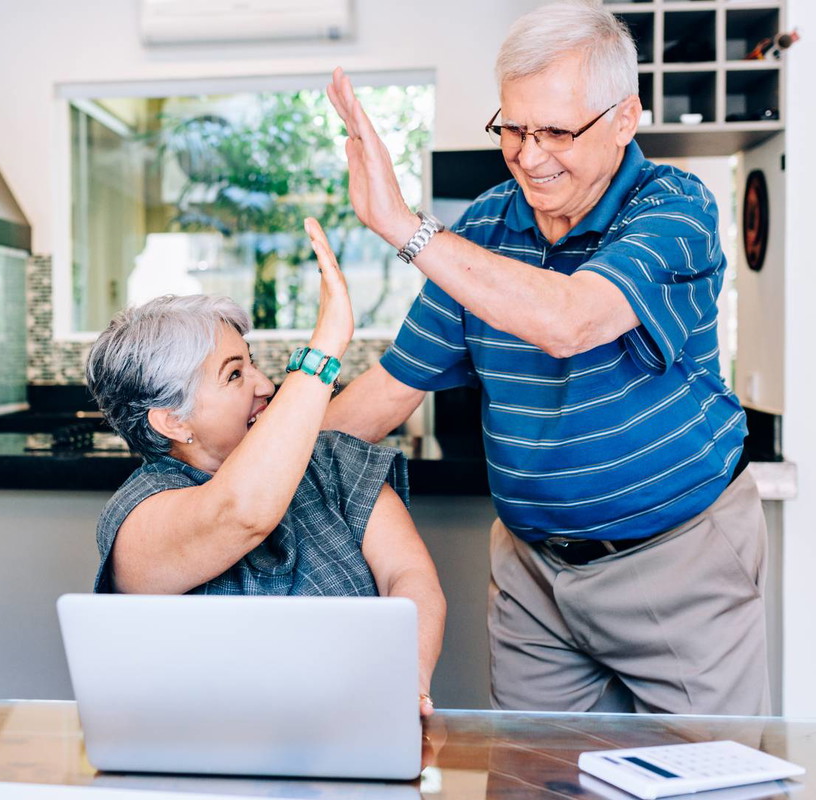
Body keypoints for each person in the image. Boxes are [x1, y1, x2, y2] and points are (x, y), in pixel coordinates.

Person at [323, 1, 768, 715]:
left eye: (557, 130)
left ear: (625, 120)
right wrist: (245, 480)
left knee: (706, 783)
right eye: (514, 128)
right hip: (534, 574)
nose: (530, 155)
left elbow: (572, 319)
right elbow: (388, 390)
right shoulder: (486, 228)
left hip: (681, 560)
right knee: (536, 782)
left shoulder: (674, 210)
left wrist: (400, 225)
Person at [86, 218, 447, 717]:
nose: (264, 384)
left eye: (252, 362)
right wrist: (324, 349)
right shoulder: (139, 516)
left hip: (352, 728)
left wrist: (408, 676)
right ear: (173, 420)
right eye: (234, 374)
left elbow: (408, 576)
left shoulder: (332, 460)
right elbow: (240, 512)